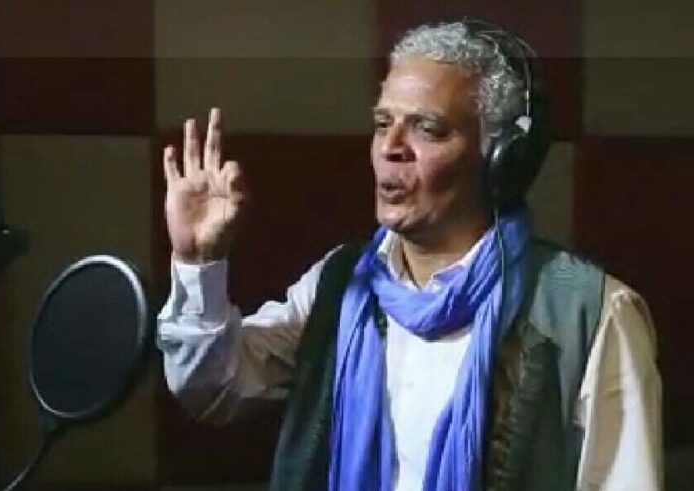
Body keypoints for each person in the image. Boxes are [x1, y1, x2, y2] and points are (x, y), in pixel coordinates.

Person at [157, 21, 662, 491]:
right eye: (383, 124)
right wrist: (199, 261)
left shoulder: (589, 313)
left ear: (501, 157)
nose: (390, 148)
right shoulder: (340, 284)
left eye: (428, 129)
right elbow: (211, 389)